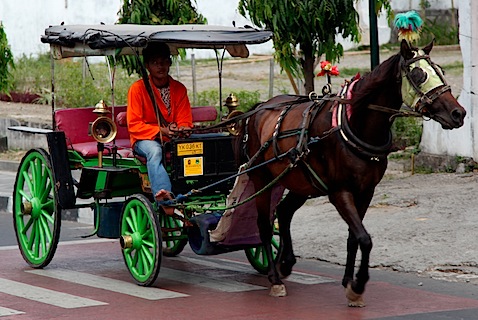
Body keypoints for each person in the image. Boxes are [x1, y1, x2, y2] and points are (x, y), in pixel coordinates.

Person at [126, 42, 193, 212]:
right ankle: (164, 194)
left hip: (173, 138)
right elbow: (134, 125)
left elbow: (185, 120)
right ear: (147, 66)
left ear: (170, 63)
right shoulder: (137, 89)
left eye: (164, 61)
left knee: (195, 149)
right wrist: (160, 130)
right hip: (144, 139)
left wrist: (182, 129)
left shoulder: (179, 89)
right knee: (155, 151)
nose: (160, 66)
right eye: (155, 62)